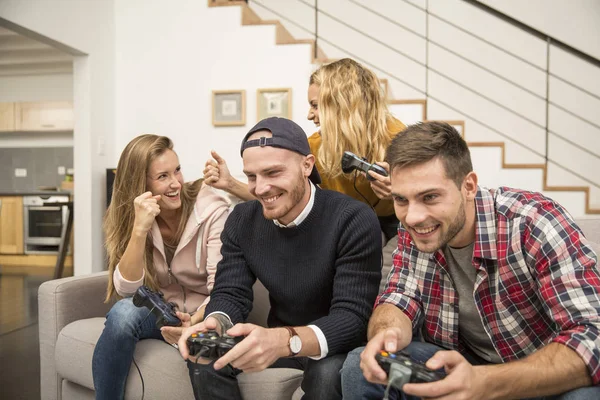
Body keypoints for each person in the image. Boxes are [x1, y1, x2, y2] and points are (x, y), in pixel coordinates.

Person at [340, 121, 600, 400]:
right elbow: (399, 297)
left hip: (535, 375)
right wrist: (386, 333)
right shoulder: (415, 228)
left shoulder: (533, 223)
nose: (413, 216)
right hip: (462, 368)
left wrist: (485, 382)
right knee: (361, 365)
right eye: (401, 200)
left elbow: (592, 336)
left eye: (430, 197)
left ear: (468, 186)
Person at [178, 117, 383, 400]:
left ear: (307, 166)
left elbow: (351, 319)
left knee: (326, 375)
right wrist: (216, 321)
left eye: (273, 173)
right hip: (279, 341)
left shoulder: (352, 219)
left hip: (334, 346)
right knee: (205, 349)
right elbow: (230, 292)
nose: (260, 188)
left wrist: (285, 341)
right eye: (251, 176)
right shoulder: (242, 219)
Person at [203, 58, 405, 289]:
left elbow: (429, 202)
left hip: (399, 221)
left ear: (343, 104)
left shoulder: (399, 140)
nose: (310, 115)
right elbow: (281, 198)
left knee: (387, 279)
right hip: (347, 225)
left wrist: (400, 194)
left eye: (316, 105)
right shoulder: (314, 148)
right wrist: (229, 183)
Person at [92, 134, 230, 400]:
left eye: (177, 170)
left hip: (205, 314)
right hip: (163, 313)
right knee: (122, 315)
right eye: (162, 176)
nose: (176, 183)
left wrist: (196, 320)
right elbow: (127, 288)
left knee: (206, 344)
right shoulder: (133, 214)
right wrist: (139, 228)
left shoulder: (211, 210)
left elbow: (223, 287)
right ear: (140, 183)